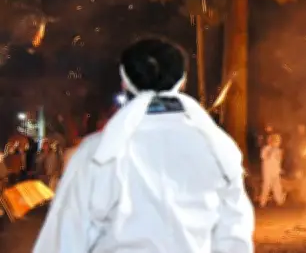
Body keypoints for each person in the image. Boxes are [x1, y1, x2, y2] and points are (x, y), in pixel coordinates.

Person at [33, 37, 254, 253]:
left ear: (124, 83)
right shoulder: (217, 151)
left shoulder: (97, 153)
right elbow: (234, 236)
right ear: (183, 81)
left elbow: (65, 238)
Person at [259, 133, 286, 208]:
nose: (278, 143)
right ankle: (262, 202)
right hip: (267, 171)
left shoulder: (278, 151)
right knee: (266, 186)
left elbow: (278, 162)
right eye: (276, 141)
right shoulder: (266, 148)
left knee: (277, 186)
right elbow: (264, 157)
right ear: (271, 141)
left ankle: (280, 201)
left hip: (275, 172)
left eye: (278, 141)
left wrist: (280, 170)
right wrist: (271, 150)